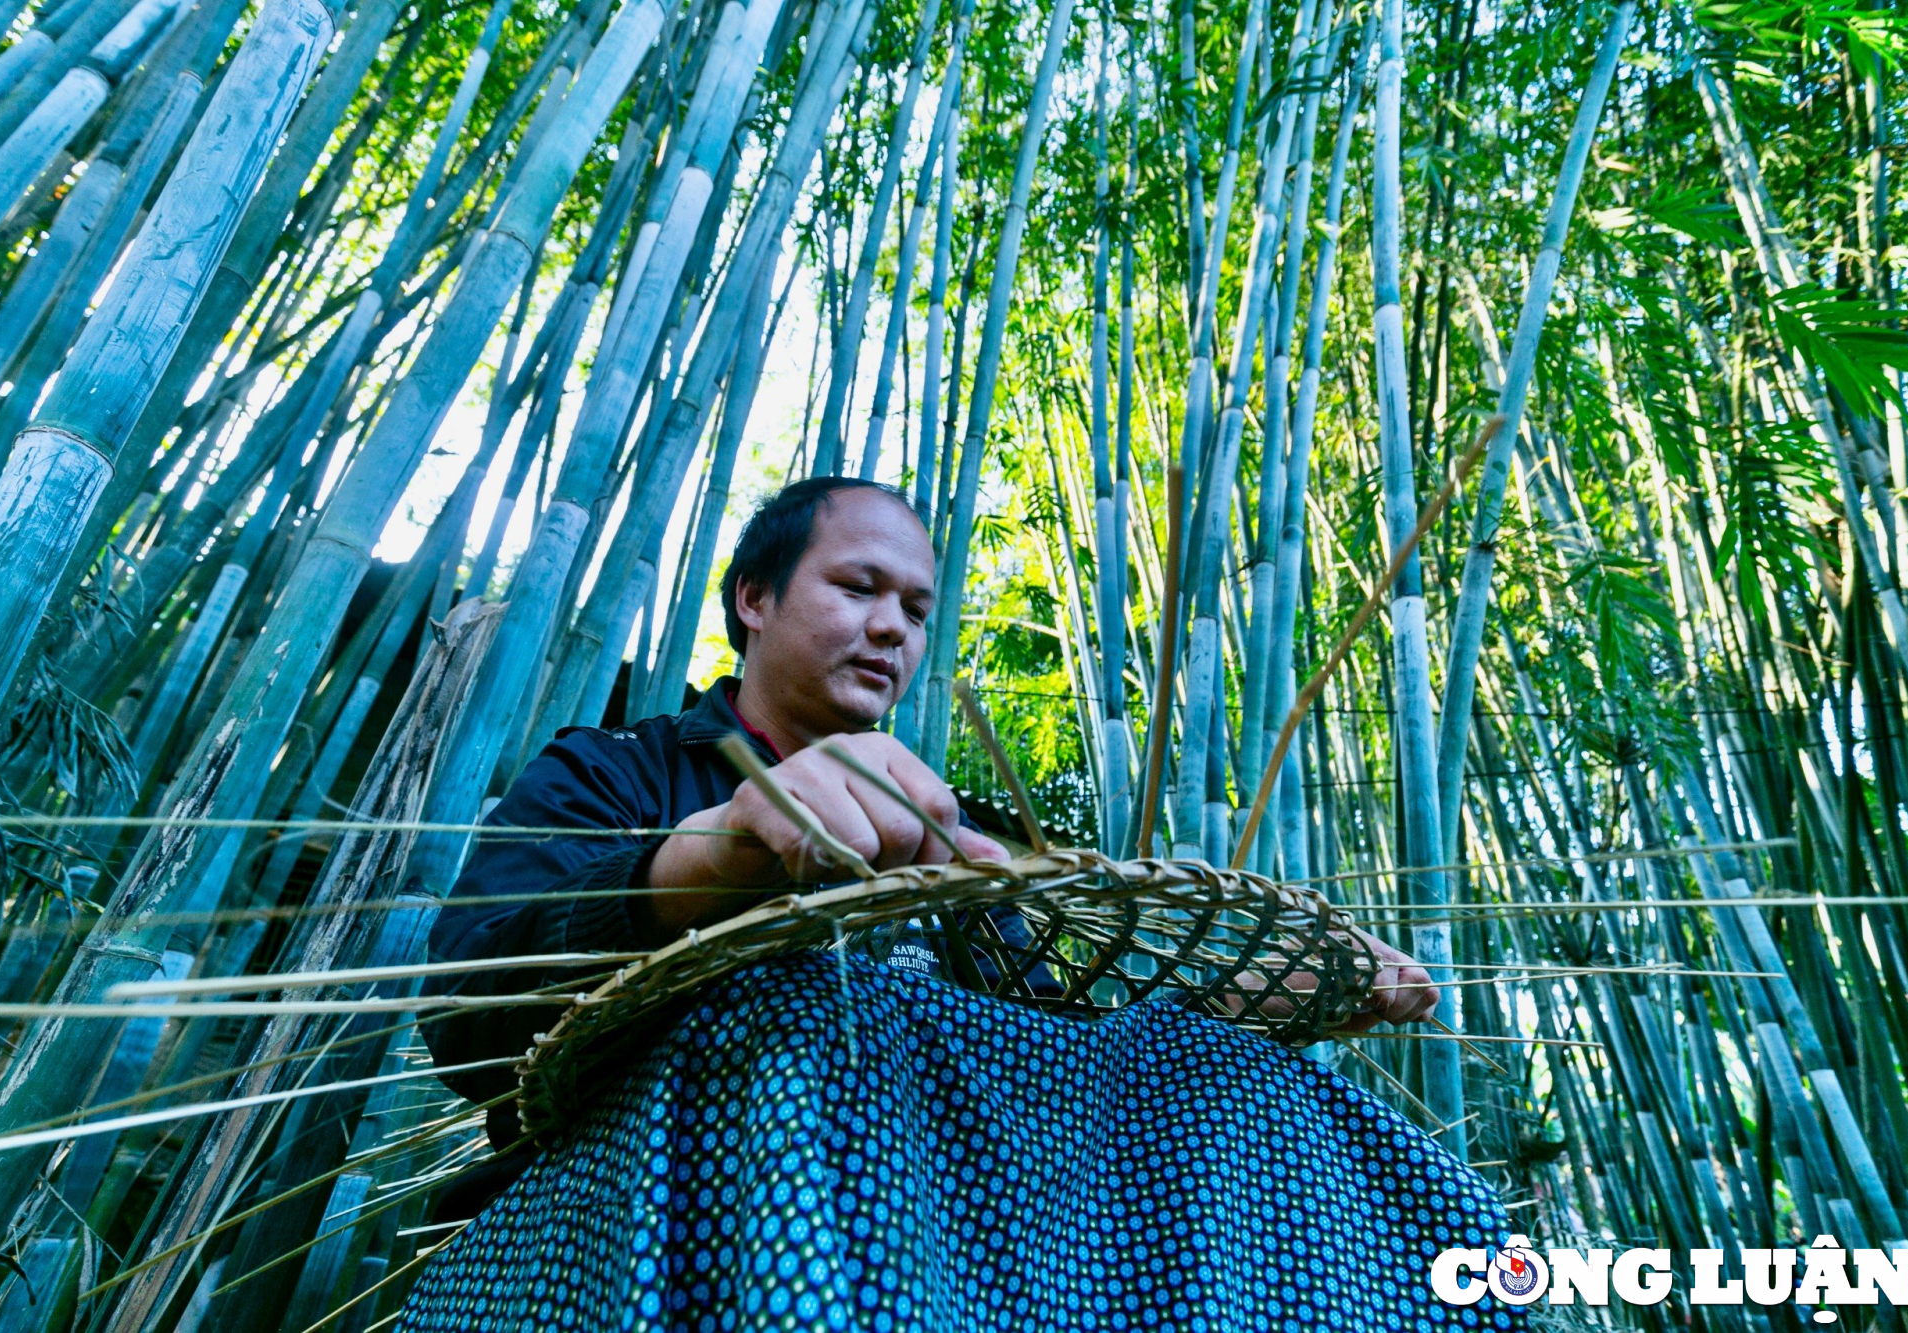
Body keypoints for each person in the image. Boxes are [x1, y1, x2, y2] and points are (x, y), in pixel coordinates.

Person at [402, 478, 1518, 1332]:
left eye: (917, 608)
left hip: (965, 1233)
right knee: (796, 1006)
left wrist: (1239, 1000)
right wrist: (716, 854)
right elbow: (466, 1017)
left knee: (1250, 1082)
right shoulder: (616, 773)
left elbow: (1066, 1042)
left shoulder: (967, 839)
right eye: (856, 587)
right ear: (753, 597)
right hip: (636, 1223)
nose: (892, 626)